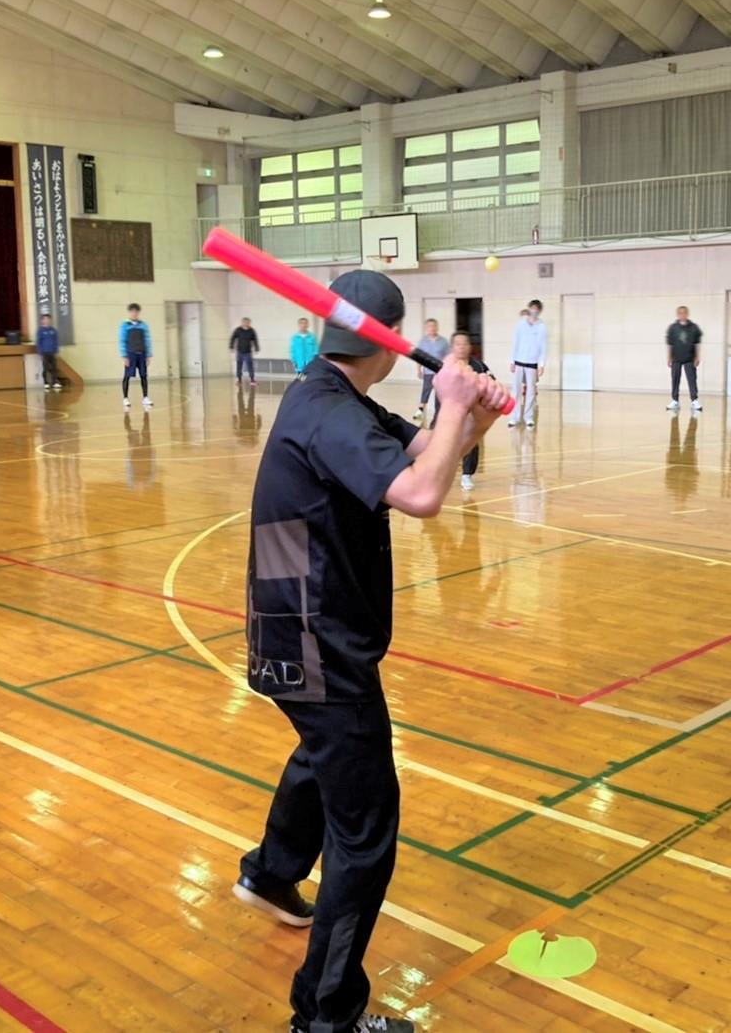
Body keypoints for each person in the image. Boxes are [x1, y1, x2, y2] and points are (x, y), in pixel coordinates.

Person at [233, 270, 506, 1033]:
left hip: (301, 629)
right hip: (316, 642)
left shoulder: (333, 397)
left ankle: (270, 873)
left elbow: (428, 454)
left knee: (324, 753)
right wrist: (451, 401)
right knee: (366, 833)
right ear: (386, 343)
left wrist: (472, 415)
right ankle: (325, 1016)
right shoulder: (328, 414)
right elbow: (422, 495)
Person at [438, 331, 489, 490]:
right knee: (444, 444)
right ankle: (440, 474)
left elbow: (489, 385)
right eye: (457, 344)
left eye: (464, 343)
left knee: (471, 441)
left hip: (471, 412)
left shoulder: (479, 366)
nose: (461, 347)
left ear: (469, 346)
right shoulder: (446, 367)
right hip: (449, 411)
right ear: (452, 347)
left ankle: (467, 474)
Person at [508, 299, 547, 428]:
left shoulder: (542, 326)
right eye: (532, 308)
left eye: (536, 309)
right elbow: (515, 342)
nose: (534, 311)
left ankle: (528, 417)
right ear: (529, 308)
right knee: (516, 391)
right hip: (519, 361)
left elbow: (543, 347)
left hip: (532, 362)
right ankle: (514, 418)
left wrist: (541, 364)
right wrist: (512, 360)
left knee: (531, 391)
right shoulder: (520, 324)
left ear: (539, 311)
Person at [665, 306, 702, 413]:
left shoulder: (694, 327)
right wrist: (669, 357)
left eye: (684, 313)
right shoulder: (672, 328)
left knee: (692, 379)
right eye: (680, 313)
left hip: (689, 358)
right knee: (675, 379)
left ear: (687, 314)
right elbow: (670, 344)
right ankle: (675, 400)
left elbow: (697, 343)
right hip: (676, 358)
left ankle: (694, 400)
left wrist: (697, 356)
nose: (682, 315)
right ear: (677, 314)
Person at [411, 318, 450, 420]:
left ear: (437, 327)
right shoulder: (423, 342)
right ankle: (419, 416)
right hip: (428, 372)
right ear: (426, 328)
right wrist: (418, 370)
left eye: (434, 326)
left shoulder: (443, 341)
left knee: (439, 397)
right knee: (424, 395)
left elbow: (449, 357)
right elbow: (419, 357)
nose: (432, 328)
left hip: (440, 373)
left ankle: (437, 419)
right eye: (429, 326)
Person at [118, 303, 152, 409]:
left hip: (142, 354)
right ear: (129, 312)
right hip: (130, 354)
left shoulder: (143, 325)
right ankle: (125, 398)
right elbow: (122, 341)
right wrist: (124, 356)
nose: (134, 313)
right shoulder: (125, 325)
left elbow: (147, 340)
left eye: (136, 311)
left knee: (144, 376)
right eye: (132, 311)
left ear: (138, 312)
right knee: (127, 376)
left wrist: (148, 355)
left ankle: (145, 397)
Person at [36, 313, 61, 391]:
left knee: (54, 368)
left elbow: (56, 341)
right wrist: (40, 352)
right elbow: (39, 342)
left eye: (48, 319)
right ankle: (45, 383)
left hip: (52, 352)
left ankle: (55, 382)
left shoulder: (53, 330)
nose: (47, 320)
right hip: (44, 352)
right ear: (42, 321)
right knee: (45, 368)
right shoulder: (40, 331)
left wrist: (57, 351)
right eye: (45, 319)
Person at [231, 317, 260, 384]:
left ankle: (252, 380)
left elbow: (255, 340)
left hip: (248, 352)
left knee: (250, 366)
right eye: (244, 322)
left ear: (249, 323)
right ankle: (239, 380)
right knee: (239, 366)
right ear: (242, 322)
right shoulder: (238, 330)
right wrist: (231, 346)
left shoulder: (251, 331)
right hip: (239, 351)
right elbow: (233, 338)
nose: (246, 323)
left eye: (247, 322)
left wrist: (256, 348)